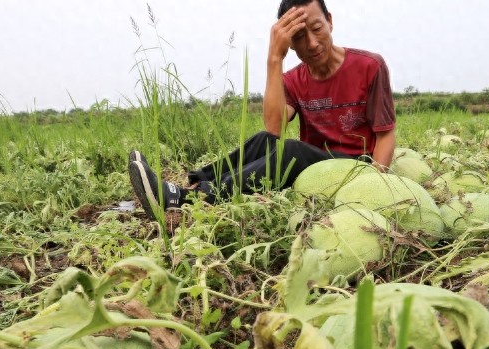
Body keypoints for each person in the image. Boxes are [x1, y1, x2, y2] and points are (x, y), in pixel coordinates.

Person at [128, 0, 396, 219]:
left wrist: (374, 182)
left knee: (291, 151)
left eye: (317, 28)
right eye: (299, 37)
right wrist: (274, 58)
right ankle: (197, 181)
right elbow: (274, 127)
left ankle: (189, 199)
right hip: (315, 166)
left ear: (330, 21)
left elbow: (385, 135)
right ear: (289, 42)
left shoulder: (369, 66)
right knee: (264, 140)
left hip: (355, 168)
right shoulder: (293, 79)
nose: (312, 43)